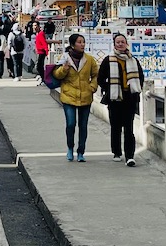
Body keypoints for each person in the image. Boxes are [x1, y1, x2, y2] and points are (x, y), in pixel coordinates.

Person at [96, 33, 145, 166]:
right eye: (118, 42)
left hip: (129, 98)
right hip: (114, 98)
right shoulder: (108, 60)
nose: (120, 44)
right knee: (116, 127)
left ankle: (130, 156)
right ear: (114, 44)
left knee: (129, 128)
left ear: (126, 43)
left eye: (122, 42)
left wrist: (136, 88)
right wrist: (109, 88)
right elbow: (100, 79)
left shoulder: (133, 60)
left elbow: (140, 77)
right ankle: (117, 152)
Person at [53, 34, 99, 162]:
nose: (82, 44)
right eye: (79, 42)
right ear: (73, 45)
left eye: (83, 42)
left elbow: (95, 75)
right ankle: (70, 148)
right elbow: (56, 75)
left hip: (85, 95)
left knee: (83, 125)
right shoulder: (65, 58)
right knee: (71, 124)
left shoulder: (89, 60)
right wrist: (64, 69)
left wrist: (92, 87)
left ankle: (81, 152)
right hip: (69, 96)